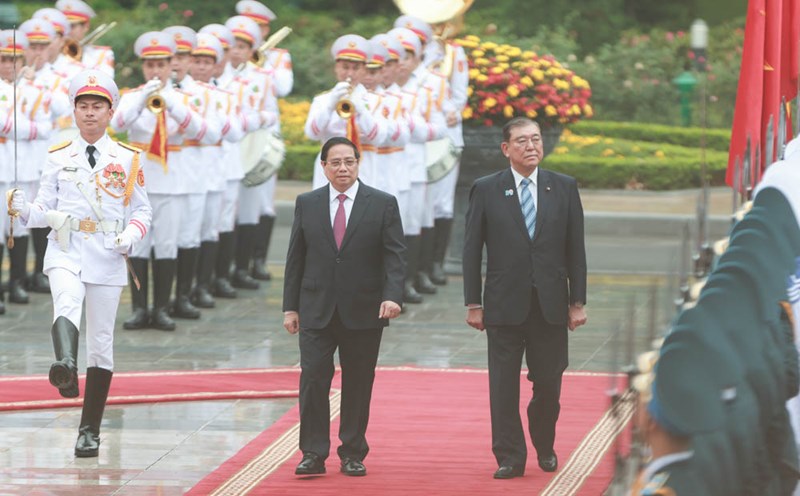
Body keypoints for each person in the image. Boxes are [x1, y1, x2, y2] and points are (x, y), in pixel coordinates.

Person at [9, 69, 151, 457]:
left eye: (97, 106)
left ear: (111, 111)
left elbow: (142, 211)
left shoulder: (127, 157)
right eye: (83, 106)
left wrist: (131, 235)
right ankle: (66, 365)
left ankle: (90, 429)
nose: (90, 113)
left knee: (102, 345)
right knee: (66, 302)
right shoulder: (58, 157)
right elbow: (43, 211)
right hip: (66, 248)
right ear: (74, 110)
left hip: (107, 253)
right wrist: (22, 210)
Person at [462, 116, 587, 478]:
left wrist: (576, 301)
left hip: (550, 304)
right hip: (503, 304)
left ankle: (543, 442)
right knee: (502, 385)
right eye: (522, 141)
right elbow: (472, 249)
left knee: (549, 382)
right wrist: (473, 303)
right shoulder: (486, 188)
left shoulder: (563, 187)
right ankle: (510, 456)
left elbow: (574, 248)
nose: (531, 146)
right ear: (506, 149)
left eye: (535, 139)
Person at [283, 136, 405, 477]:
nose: (342, 168)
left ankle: (352, 452)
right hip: (315, 308)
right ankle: (313, 453)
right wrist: (290, 308)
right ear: (323, 167)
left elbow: (395, 255)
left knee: (358, 382)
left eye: (349, 162)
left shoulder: (381, 203)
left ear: (358, 163)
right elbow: (296, 258)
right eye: (335, 163)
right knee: (313, 381)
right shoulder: (307, 203)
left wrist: (392, 295)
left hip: (365, 310)